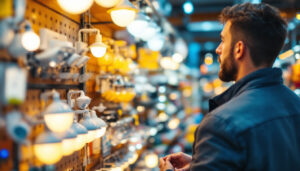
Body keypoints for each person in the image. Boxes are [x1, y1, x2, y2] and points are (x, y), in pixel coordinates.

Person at [159, 2, 300, 171]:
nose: (218, 49)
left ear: (239, 49)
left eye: (223, 40)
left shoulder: (221, 123)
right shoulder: (295, 104)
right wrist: (203, 162)